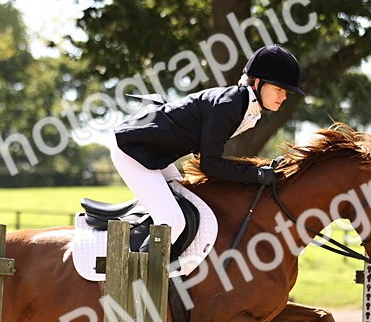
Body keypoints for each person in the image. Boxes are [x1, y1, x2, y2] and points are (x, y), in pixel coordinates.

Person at [111, 44, 305, 247]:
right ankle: (140, 275)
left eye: (286, 92)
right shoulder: (228, 105)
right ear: (257, 82)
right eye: (279, 89)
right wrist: (257, 175)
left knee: (191, 205)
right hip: (133, 150)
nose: (284, 97)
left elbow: (206, 156)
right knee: (173, 222)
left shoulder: (243, 107)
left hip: (155, 153)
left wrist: (259, 170)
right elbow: (210, 165)